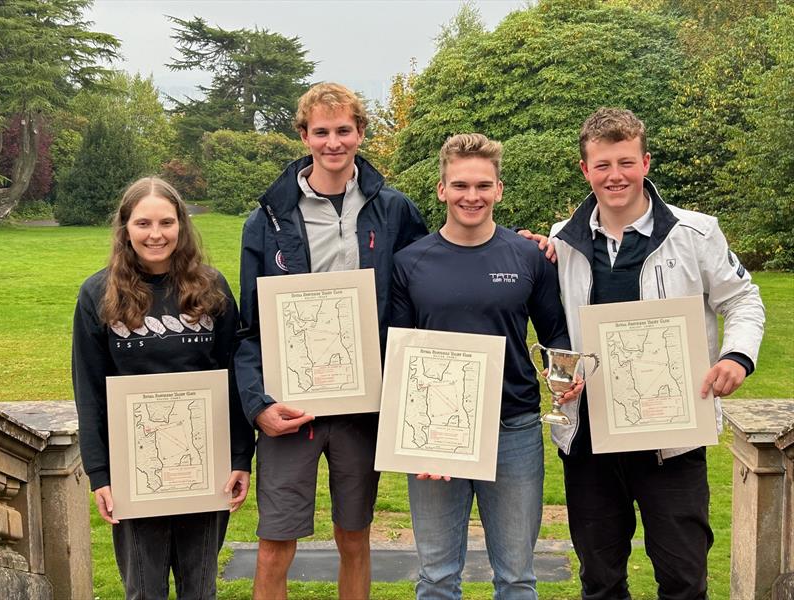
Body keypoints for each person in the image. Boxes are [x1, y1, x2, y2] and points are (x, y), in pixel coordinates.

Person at [548, 107, 765, 599]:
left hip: (672, 435)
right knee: (601, 581)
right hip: (589, 438)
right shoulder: (563, 240)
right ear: (586, 170)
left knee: (683, 578)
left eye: (625, 162)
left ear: (645, 162)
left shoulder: (697, 233)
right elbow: (556, 326)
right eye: (602, 165)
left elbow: (743, 299)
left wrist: (737, 356)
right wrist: (561, 376)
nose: (614, 175)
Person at [234, 82, 428, 600]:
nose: (333, 142)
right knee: (275, 542)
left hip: (364, 407)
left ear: (361, 133)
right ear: (304, 135)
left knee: (355, 538)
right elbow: (250, 325)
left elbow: (431, 279)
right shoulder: (267, 220)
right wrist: (258, 406)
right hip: (290, 404)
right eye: (321, 131)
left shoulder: (396, 211)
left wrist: (522, 244)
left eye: (344, 130)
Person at [390, 133, 579, 600]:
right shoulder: (410, 263)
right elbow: (398, 354)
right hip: (435, 433)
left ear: (499, 189)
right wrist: (418, 439)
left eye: (481, 185)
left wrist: (564, 378)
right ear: (441, 189)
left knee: (516, 577)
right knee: (436, 577)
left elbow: (556, 334)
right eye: (459, 185)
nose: (470, 196)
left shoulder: (529, 256)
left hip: (512, 428)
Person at [72, 177, 254, 600]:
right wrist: (101, 474)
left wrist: (241, 456)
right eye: (143, 223)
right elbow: (89, 389)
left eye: (167, 222)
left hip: (205, 464)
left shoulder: (211, 288)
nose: (156, 234)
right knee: (144, 590)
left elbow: (235, 376)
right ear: (125, 228)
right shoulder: (98, 294)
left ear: (182, 225)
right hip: (135, 469)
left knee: (200, 588)